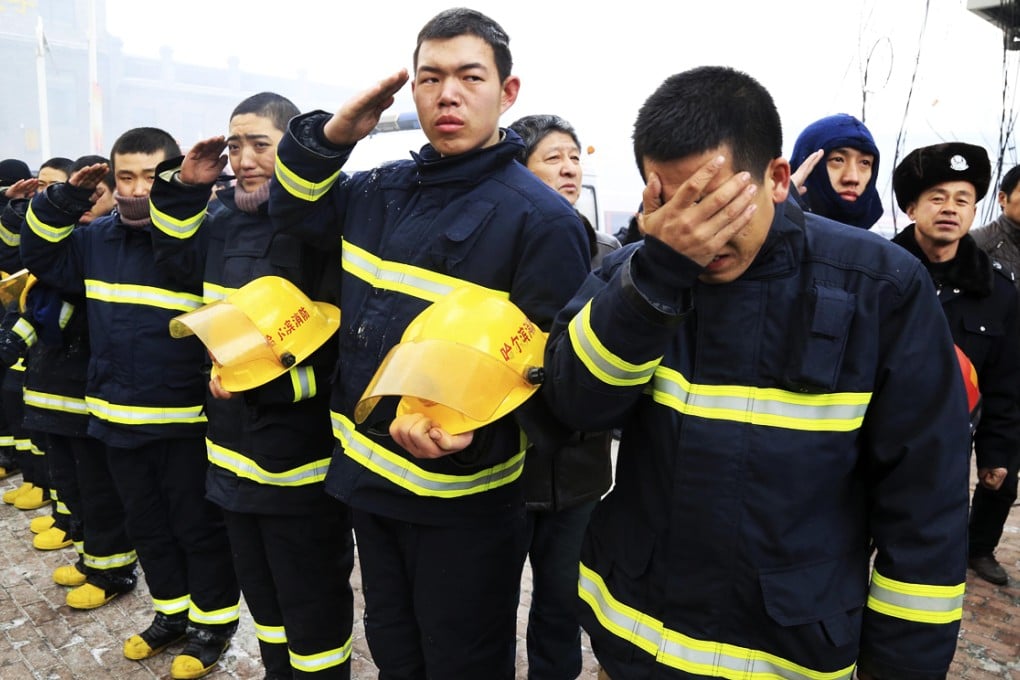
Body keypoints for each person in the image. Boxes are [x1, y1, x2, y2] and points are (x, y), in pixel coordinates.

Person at [542, 66, 971, 679]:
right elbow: (573, 404)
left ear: (775, 178)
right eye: (669, 204)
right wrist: (656, 279)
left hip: (791, 653)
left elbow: (925, 508)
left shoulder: (881, 287)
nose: (695, 232)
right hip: (635, 644)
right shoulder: (635, 275)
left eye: (716, 204)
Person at [268, 8, 590, 678]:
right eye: (430, 77)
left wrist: (478, 426)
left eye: (470, 77)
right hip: (366, 478)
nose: (447, 94)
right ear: (410, 91)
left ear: (507, 93)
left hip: (461, 503)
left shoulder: (543, 222)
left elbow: (549, 379)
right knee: (395, 650)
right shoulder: (376, 191)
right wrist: (332, 137)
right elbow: (294, 210)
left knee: (462, 661)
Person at [20, 127, 241, 680]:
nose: (138, 189)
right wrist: (66, 198)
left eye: (152, 175)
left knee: (197, 529)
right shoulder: (98, 240)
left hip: (185, 424)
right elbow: (39, 253)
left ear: (175, 177)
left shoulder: (202, 238)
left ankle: (212, 626)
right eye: (126, 177)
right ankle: (170, 615)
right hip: (116, 420)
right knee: (148, 527)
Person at [149, 91, 355, 679]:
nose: (242, 158)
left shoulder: (324, 232)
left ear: (292, 150)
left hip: (301, 465)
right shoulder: (221, 223)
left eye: (259, 144)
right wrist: (186, 186)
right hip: (230, 455)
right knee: (265, 603)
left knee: (310, 604)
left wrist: (264, 390)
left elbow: (343, 352)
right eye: (234, 144)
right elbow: (175, 262)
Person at [508, 113, 615, 680]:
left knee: (561, 599)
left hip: (579, 465)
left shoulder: (607, 250)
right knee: (492, 604)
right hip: (505, 460)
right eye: (552, 157)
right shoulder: (500, 247)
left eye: (574, 157)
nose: (570, 167)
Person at [891, 143, 1020, 587]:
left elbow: (1005, 384)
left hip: (943, 458)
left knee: (916, 574)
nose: (950, 209)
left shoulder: (999, 294)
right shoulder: (877, 274)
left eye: (962, 199)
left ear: (975, 208)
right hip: (864, 448)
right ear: (911, 207)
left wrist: (996, 454)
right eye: (937, 197)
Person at [789, 113, 883, 229]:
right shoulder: (769, 241)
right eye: (838, 160)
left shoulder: (882, 247)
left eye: (864, 162)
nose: (853, 178)